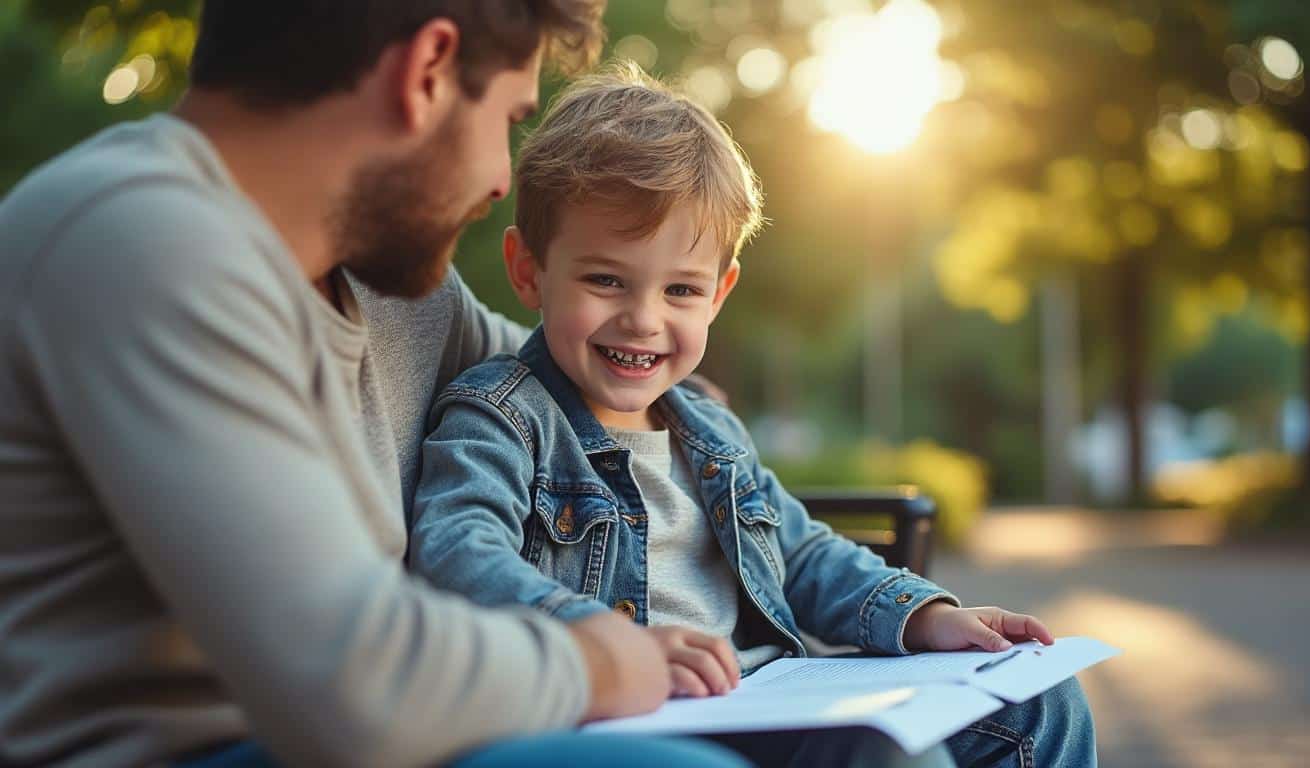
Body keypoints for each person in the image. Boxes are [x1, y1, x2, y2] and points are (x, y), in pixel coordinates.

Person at [0, 4, 754, 767]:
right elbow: (356, 691)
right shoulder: (142, 242)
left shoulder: (390, 289)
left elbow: (576, 381)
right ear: (427, 71)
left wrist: (684, 409)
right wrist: (606, 661)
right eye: (508, 119)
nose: (502, 179)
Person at [408, 63, 1099, 767]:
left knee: (1040, 703)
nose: (643, 319)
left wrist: (926, 615)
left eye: (681, 290)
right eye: (606, 279)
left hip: (763, 701)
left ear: (720, 293)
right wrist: (605, 642)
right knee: (893, 754)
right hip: (630, 721)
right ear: (528, 271)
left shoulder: (709, 432)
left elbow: (801, 553)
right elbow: (459, 551)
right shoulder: (500, 420)